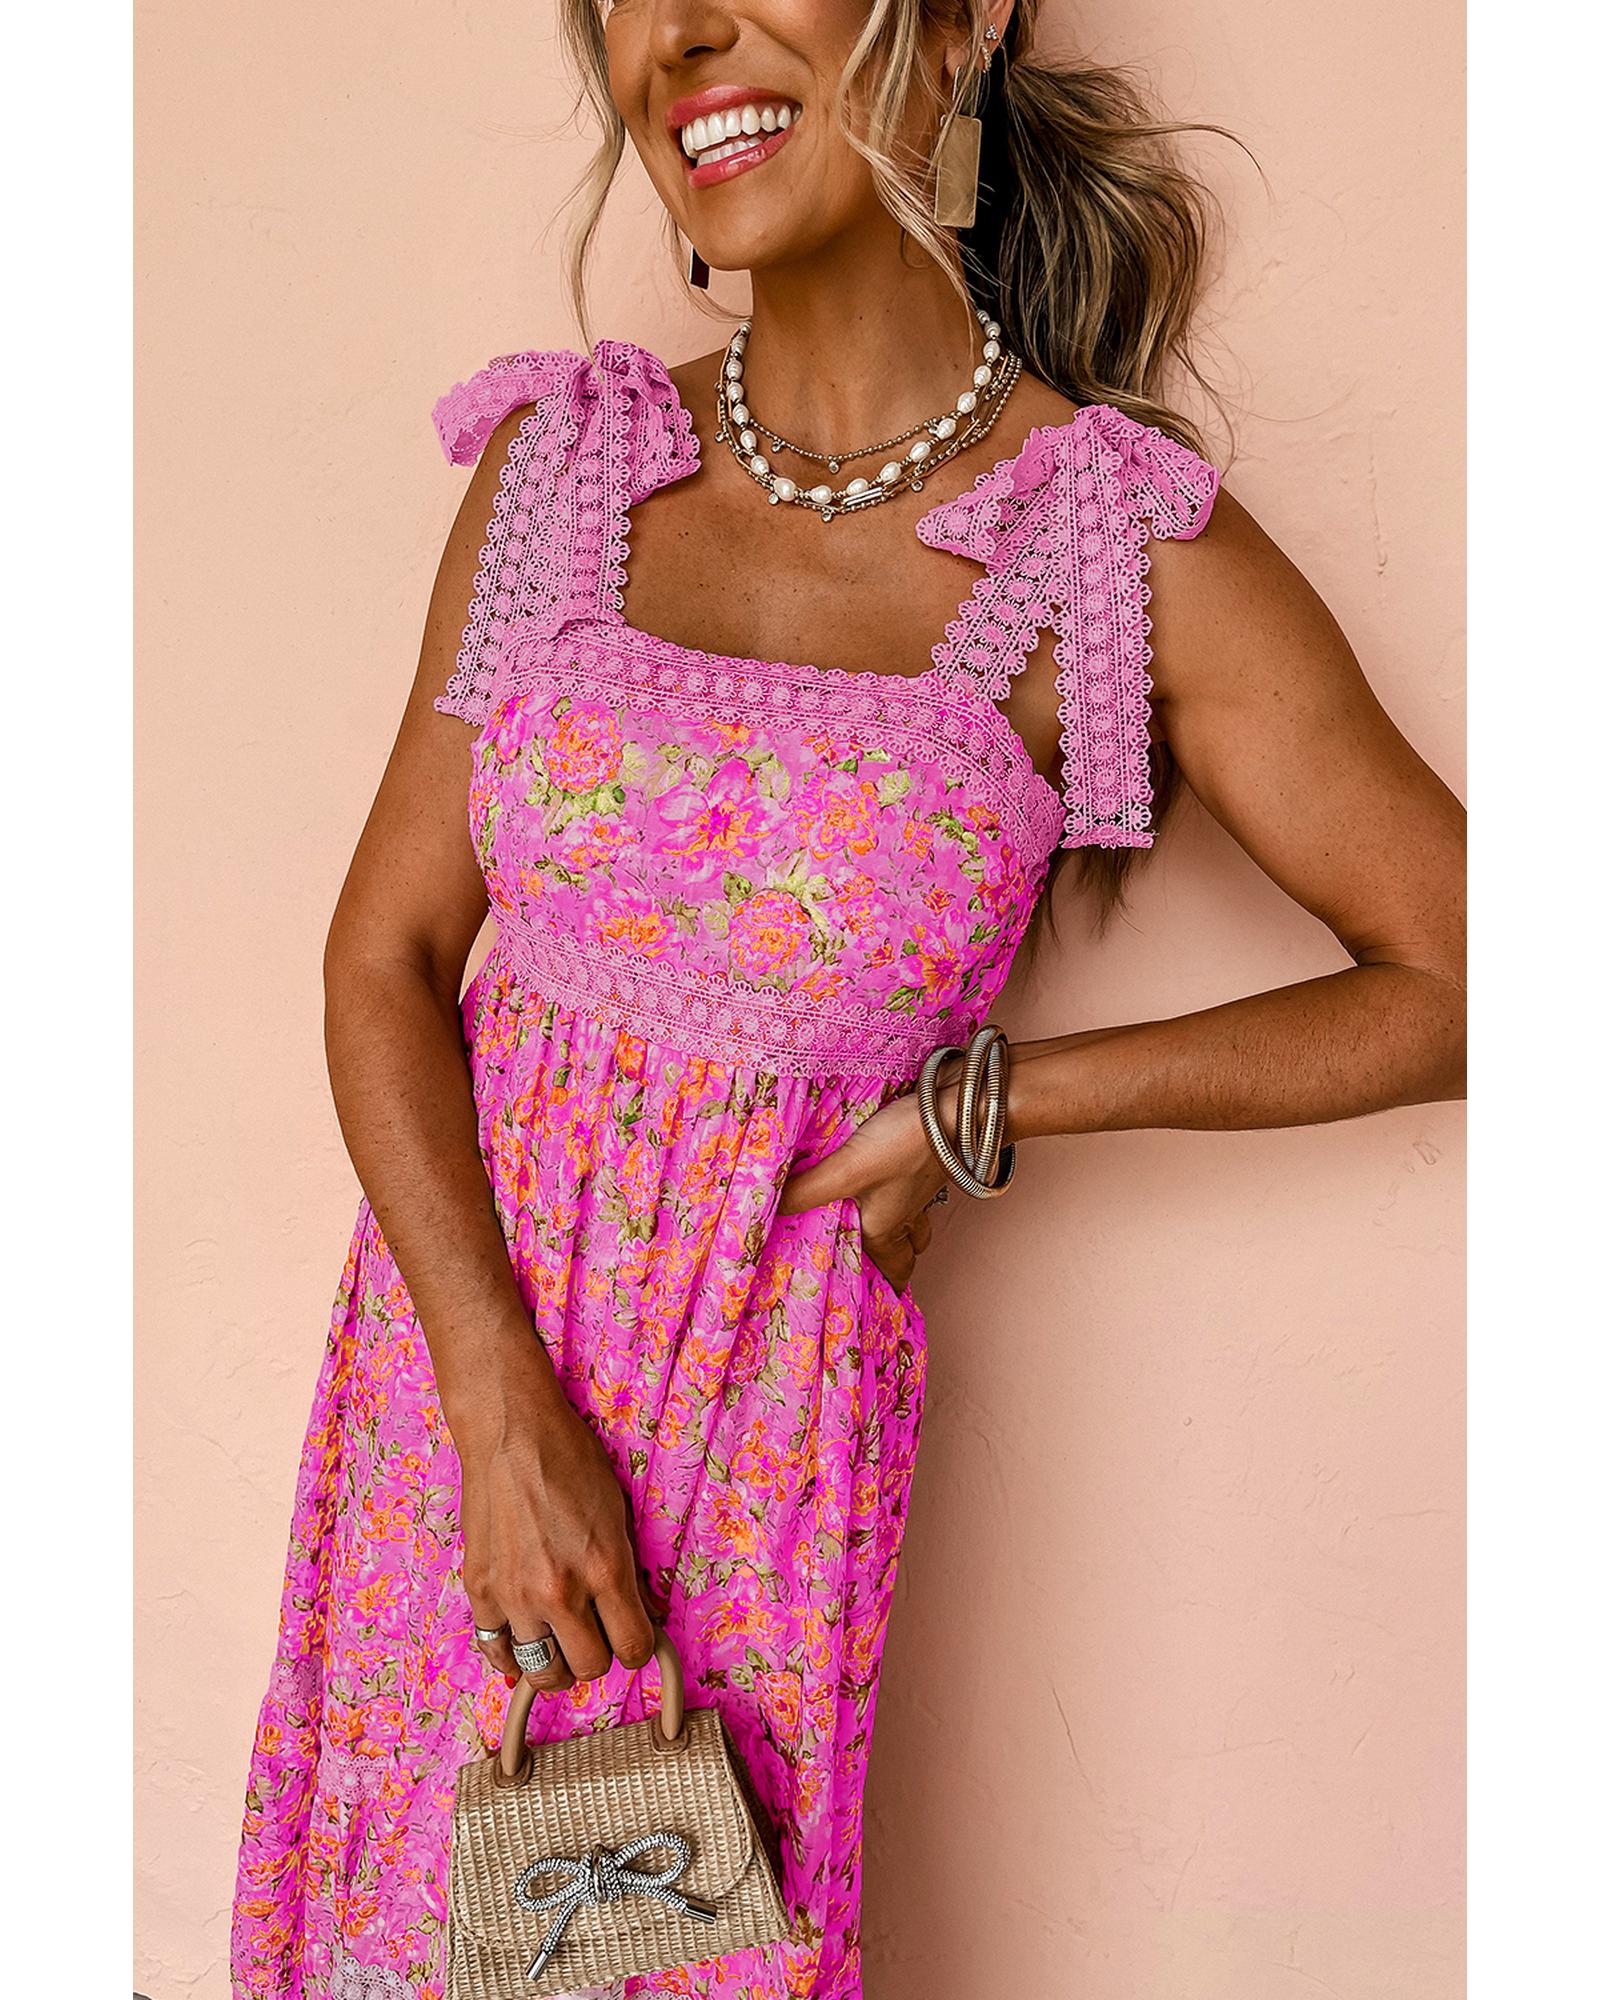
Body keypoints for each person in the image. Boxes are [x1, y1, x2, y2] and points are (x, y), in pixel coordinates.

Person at [227, 2, 1467, 1996]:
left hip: (760, 1448)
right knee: (394, 1948)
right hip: (453, 1430)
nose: (686, 30)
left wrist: (995, 1102)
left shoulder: (1104, 545)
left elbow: (1470, 974)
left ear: (963, 20)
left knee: (673, 1954)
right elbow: (382, 954)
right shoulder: (568, 469)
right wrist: (491, 1400)